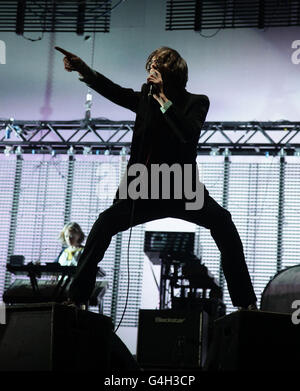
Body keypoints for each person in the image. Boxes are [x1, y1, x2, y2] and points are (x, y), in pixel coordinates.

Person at [55, 45, 257, 311]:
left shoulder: (196, 102)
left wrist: (163, 98)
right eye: (149, 64)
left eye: (156, 65)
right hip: (144, 189)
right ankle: (77, 299)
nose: (150, 69)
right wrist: (84, 70)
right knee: (105, 223)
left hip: (181, 187)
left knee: (223, 223)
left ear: (171, 71)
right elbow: (113, 90)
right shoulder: (144, 99)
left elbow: (188, 133)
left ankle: (246, 304)